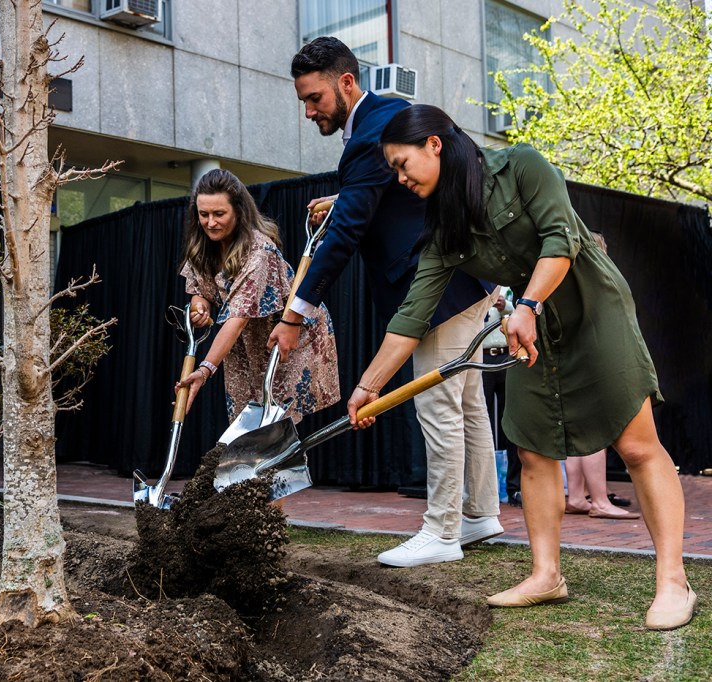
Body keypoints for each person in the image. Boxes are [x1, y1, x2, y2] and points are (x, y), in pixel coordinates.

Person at [348, 103, 695, 629]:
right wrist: (368, 386)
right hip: (528, 330)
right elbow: (414, 313)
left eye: (401, 164)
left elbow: (562, 238)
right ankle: (546, 575)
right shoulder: (446, 228)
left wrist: (527, 305)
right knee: (531, 449)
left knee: (638, 444)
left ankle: (674, 582)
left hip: (592, 312)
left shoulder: (522, 166)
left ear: (434, 145)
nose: (399, 178)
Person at [271, 36, 502, 567]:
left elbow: (347, 234)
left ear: (346, 83)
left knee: (438, 405)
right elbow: (385, 193)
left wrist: (294, 314)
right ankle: (479, 513)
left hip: (436, 285)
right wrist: (343, 197)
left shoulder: (372, 133)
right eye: (304, 101)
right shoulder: (392, 119)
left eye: (315, 99)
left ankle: (442, 532)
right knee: (466, 402)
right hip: (470, 278)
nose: (309, 111)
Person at [175, 168, 340, 426]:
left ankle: (282, 465)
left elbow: (237, 318)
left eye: (219, 214)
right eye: (203, 214)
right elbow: (200, 289)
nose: (210, 222)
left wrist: (205, 370)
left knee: (276, 424)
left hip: (291, 335)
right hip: (246, 342)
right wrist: (200, 307)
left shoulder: (259, 251)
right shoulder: (204, 244)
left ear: (239, 212)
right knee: (246, 420)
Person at [563, 233, 639, 520]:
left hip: (570, 361)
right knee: (596, 435)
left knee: (576, 436)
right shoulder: (596, 279)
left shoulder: (563, 277)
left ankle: (577, 496)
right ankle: (600, 500)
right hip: (592, 361)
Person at [481, 286, 515, 503]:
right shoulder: (474, 279)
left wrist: (505, 307)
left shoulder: (510, 280)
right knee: (480, 421)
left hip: (507, 355)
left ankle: (514, 487)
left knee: (511, 421)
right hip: (481, 357)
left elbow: (523, 310)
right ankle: (483, 488)